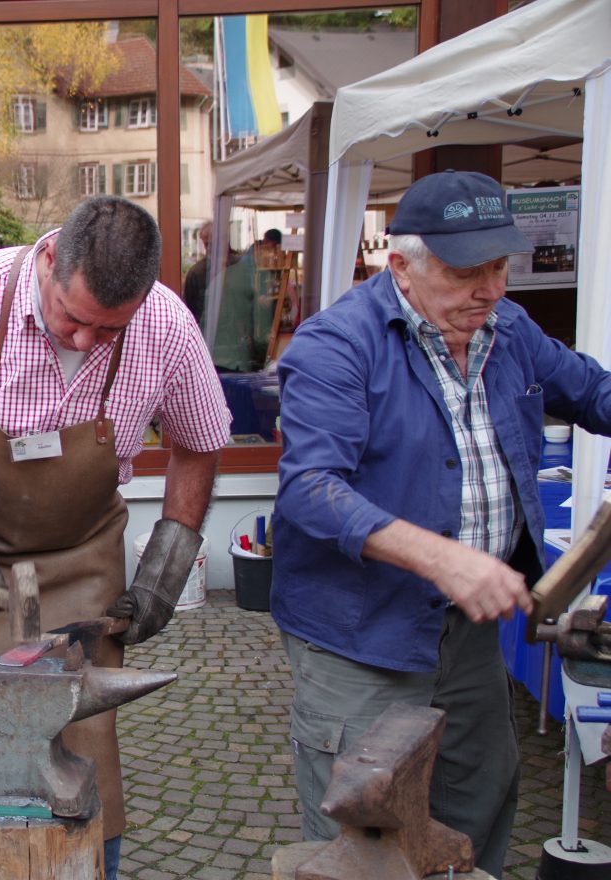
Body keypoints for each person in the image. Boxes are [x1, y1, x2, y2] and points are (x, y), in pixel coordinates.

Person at [0, 195, 232, 878]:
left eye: (110, 330)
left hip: (83, 558)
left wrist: (168, 562)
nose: (88, 341)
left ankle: (92, 868)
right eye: (74, 318)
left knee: (88, 752)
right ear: (48, 259)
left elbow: (199, 444)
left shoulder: (165, 327)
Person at [271, 170, 611, 878]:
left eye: (498, 265)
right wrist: (442, 558)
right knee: (367, 833)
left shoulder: (508, 329)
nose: (488, 289)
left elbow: (594, 391)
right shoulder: (338, 345)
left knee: (477, 799)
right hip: (361, 633)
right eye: (464, 272)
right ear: (400, 265)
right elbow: (309, 489)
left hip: (469, 637)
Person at [212, 228, 280, 373]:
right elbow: (260, 335)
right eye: (273, 249)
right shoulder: (254, 275)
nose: (274, 255)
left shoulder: (232, 274)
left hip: (222, 353)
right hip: (235, 354)